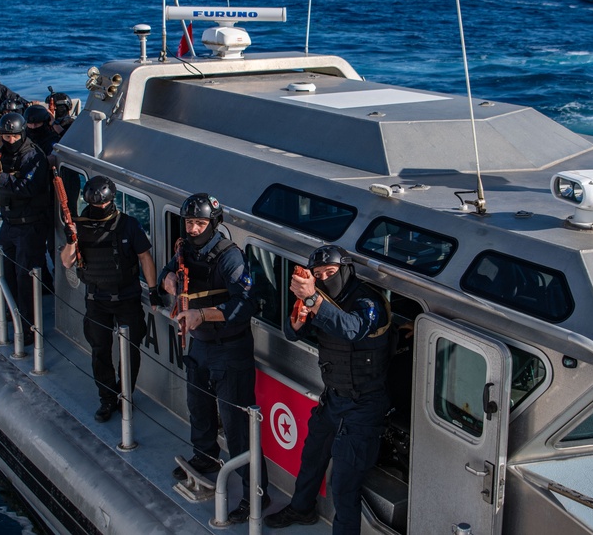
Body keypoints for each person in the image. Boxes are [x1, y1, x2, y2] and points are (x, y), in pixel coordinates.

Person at [267, 245, 393, 535]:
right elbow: (291, 333)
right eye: (319, 274)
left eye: (331, 272)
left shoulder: (367, 301)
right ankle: (301, 508)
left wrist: (312, 298)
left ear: (346, 271)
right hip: (333, 399)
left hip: (364, 406)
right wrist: (299, 316)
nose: (325, 278)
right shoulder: (319, 298)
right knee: (312, 456)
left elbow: (352, 329)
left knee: (344, 484)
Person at [158, 193, 267, 523]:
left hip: (229, 350)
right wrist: (169, 280)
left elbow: (247, 304)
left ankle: (254, 496)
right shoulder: (185, 248)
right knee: (199, 406)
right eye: (189, 222)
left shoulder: (229, 258)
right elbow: (169, 271)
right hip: (201, 346)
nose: (193, 228)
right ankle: (204, 458)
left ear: (214, 224)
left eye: (200, 223)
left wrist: (203, 315)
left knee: (237, 428)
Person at [59, 176, 158, 422]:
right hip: (96, 298)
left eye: (104, 203)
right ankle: (107, 398)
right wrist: (72, 240)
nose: (100, 208)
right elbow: (66, 261)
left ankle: (126, 395)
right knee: (100, 350)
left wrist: (154, 290)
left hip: (127, 297)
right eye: (95, 203)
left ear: (112, 200)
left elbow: (145, 257)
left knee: (130, 349)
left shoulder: (128, 225)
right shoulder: (79, 226)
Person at [0, 112, 50, 344]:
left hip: (30, 225)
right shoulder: (3, 153)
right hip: (9, 223)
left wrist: (2, 179)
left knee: (26, 279)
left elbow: (28, 188)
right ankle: (12, 318)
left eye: (14, 136)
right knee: (6, 274)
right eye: (6, 136)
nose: (10, 140)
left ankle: (29, 329)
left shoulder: (33, 157)